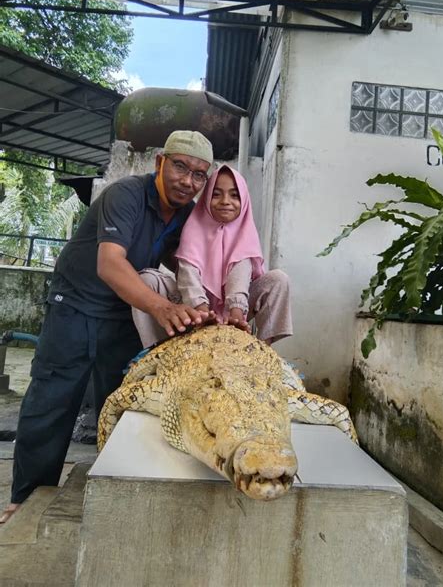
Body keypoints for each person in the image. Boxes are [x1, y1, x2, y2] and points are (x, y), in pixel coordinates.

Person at [0, 130, 214, 525]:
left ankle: (111, 489)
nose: (188, 180)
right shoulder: (126, 195)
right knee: (53, 399)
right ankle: (25, 500)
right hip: (76, 304)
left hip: (123, 312)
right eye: (181, 167)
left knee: (121, 402)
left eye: (200, 174)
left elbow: (191, 265)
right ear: (160, 163)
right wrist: (164, 308)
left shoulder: (187, 215)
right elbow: (110, 264)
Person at [132, 165, 293, 347]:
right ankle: (159, 349)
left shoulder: (245, 231)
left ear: (245, 200)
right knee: (147, 280)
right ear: (206, 198)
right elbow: (187, 274)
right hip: (191, 307)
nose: (225, 201)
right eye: (216, 194)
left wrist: (236, 312)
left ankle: (260, 349)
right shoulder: (194, 227)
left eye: (234, 195)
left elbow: (239, 275)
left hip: (233, 309)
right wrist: (201, 311)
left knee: (278, 280)